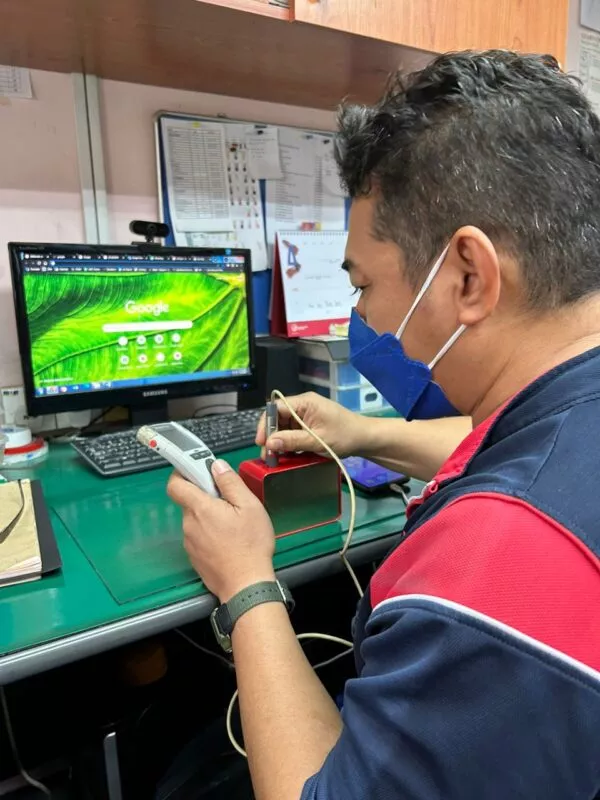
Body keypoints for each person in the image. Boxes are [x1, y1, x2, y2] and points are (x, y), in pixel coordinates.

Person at [167, 50, 600, 799]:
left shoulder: (490, 573)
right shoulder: (567, 406)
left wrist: (246, 585)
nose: (361, 314)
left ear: (469, 276)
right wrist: (362, 434)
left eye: (364, 284)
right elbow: (512, 445)